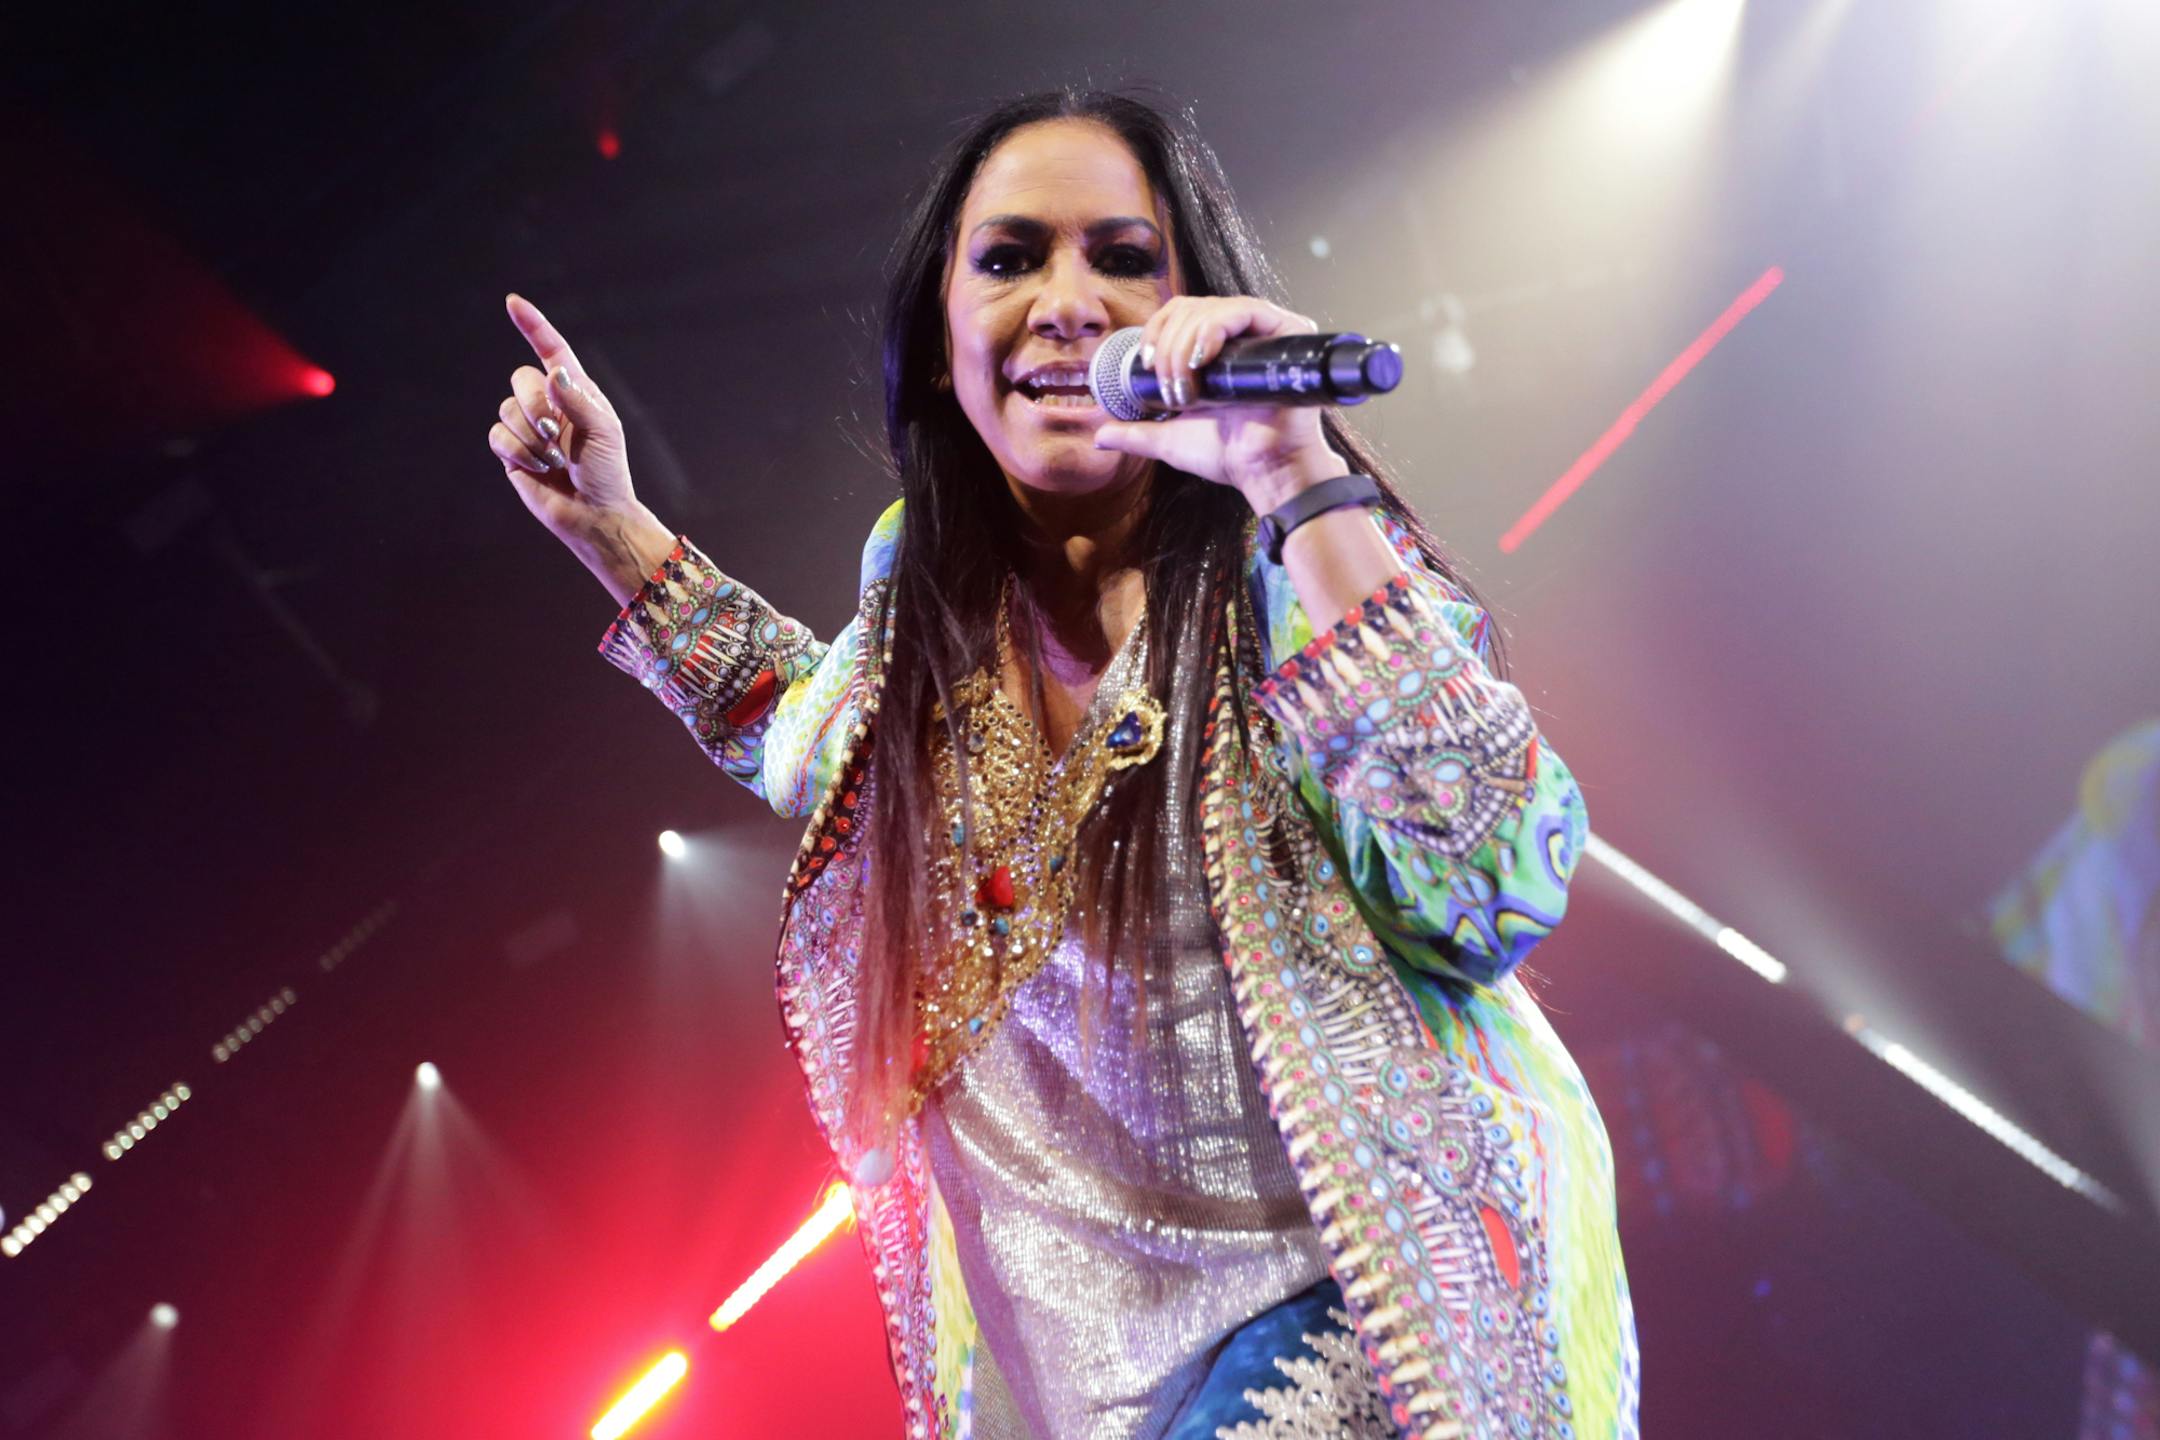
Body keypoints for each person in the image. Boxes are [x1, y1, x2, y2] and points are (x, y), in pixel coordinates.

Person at [488, 89, 1636, 1440]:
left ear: (1189, 309)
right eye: (1013, 257)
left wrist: (1292, 476)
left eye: (1124, 258)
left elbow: (1497, 876)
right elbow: (805, 730)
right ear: (936, 350)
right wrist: (613, 535)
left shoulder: (1293, 566)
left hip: (1359, 1329)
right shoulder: (923, 597)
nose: (1070, 300)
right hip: (1095, 1392)